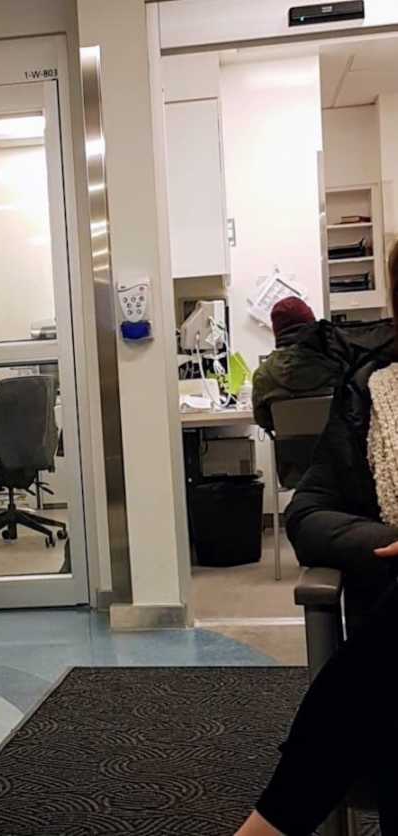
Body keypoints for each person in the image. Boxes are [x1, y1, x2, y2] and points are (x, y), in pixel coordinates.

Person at [235, 243, 398, 836]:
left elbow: (260, 421)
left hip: (292, 469)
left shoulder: (269, 373)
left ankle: (272, 822)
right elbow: (317, 506)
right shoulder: (357, 384)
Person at [251, 296, 349, 433]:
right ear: (312, 324)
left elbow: (263, 421)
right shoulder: (339, 362)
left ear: (276, 331)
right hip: (340, 450)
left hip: (292, 452)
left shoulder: (263, 374)